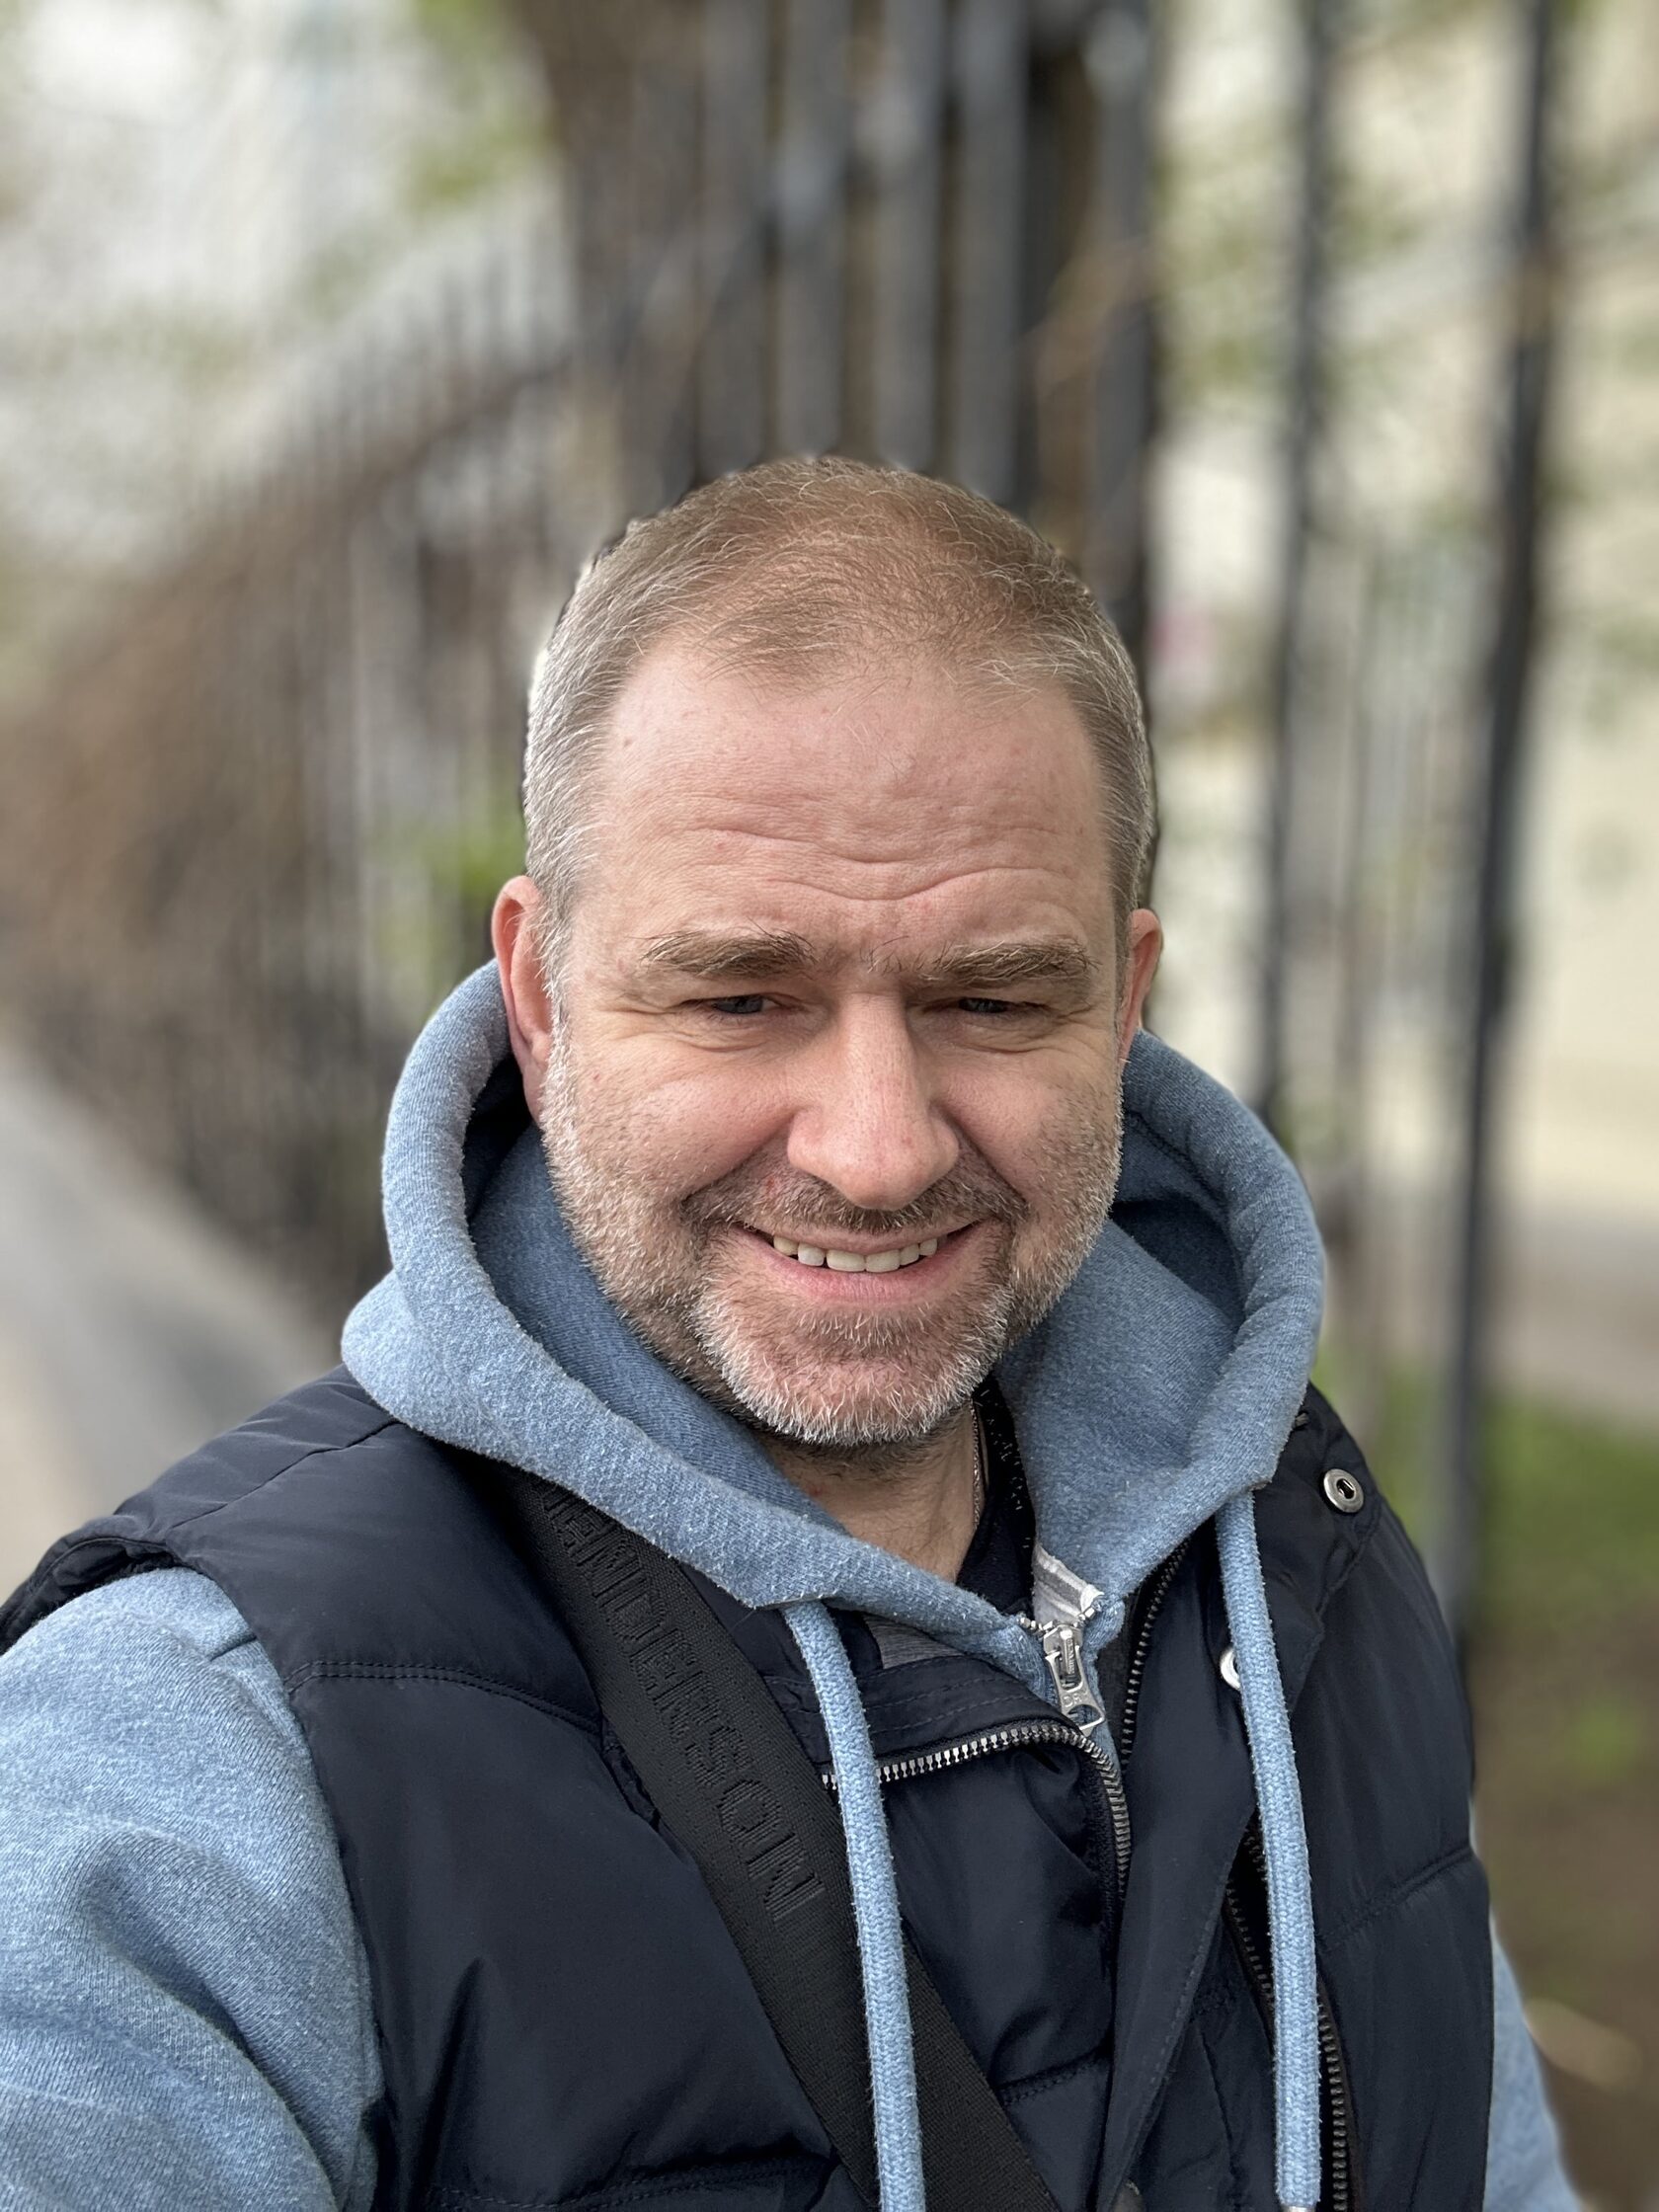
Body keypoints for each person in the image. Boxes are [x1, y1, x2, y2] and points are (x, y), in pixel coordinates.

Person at [0, 458, 1570, 2211]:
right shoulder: (194, 1762)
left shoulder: (1292, 1575)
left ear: (1124, 1006)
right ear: (541, 998)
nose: (876, 1150)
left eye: (992, 999)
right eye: (743, 996)